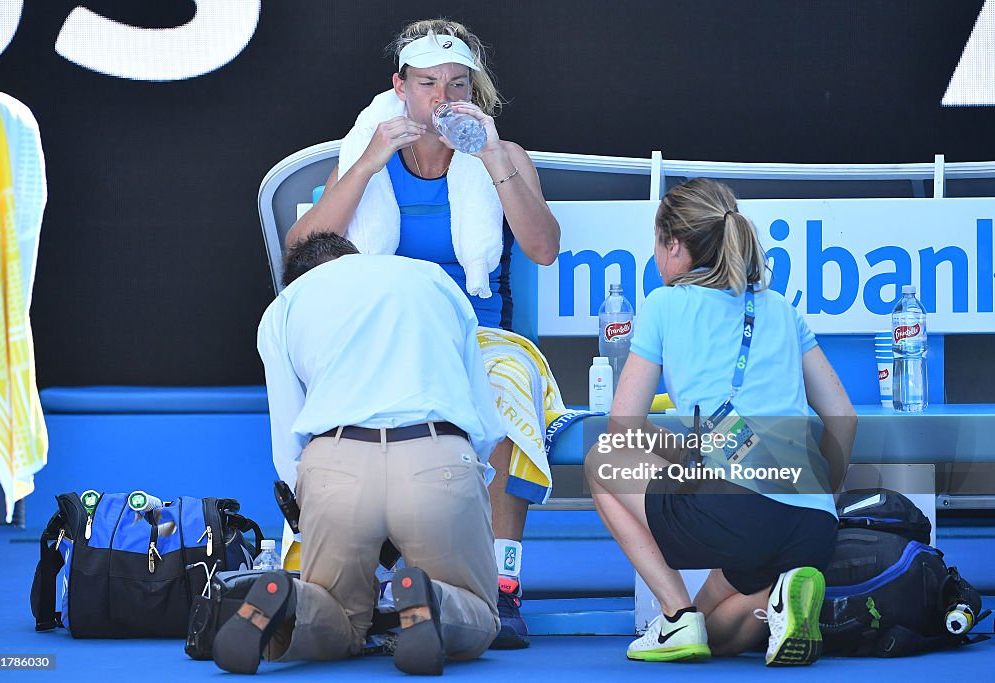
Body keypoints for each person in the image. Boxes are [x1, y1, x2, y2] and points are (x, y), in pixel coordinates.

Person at [287, 18, 562, 648]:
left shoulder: (502, 152)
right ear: (400, 88)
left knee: (505, 383)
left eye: (457, 84)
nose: (443, 98)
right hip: (383, 341)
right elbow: (301, 255)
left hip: (475, 334)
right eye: (428, 83)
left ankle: (504, 583)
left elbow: (543, 249)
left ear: (473, 90)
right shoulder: (367, 151)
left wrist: (492, 155)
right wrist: (366, 165)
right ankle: (355, 581)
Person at [584, 179, 857, 666]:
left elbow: (622, 428)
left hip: (736, 511)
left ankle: (673, 616)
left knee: (601, 460)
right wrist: (823, 500)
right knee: (716, 641)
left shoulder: (665, 303)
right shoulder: (781, 308)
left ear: (674, 246)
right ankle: (774, 601)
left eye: (656, 243)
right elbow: (843, 417)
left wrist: (684, 451)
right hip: (812, 524)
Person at [214, 232, 505, 675]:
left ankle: (291, 600)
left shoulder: (284, 307)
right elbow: (482, 417)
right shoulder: (432, 279)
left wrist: (309, 503)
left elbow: (288, 442)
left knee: (338, 618)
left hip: (336, 461)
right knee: (479, 617)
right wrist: (468, 482)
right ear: (358, 257)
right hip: (436, 454)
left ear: (292, 280)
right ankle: (430, 598)